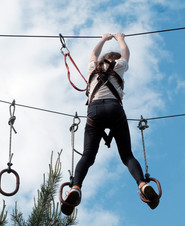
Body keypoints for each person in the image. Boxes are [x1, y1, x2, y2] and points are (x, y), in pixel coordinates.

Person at [61, 33, 159, 216]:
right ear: (116, 61)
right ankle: (142, 184)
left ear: (102, 60)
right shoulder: (120, 66)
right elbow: (126, 53)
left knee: (88, 157)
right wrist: (121, 38)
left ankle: (75, 187)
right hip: (115, 111)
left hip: (95, 112)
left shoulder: (93, 66)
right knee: (127, 156)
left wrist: (104, 39)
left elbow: (93, 53)